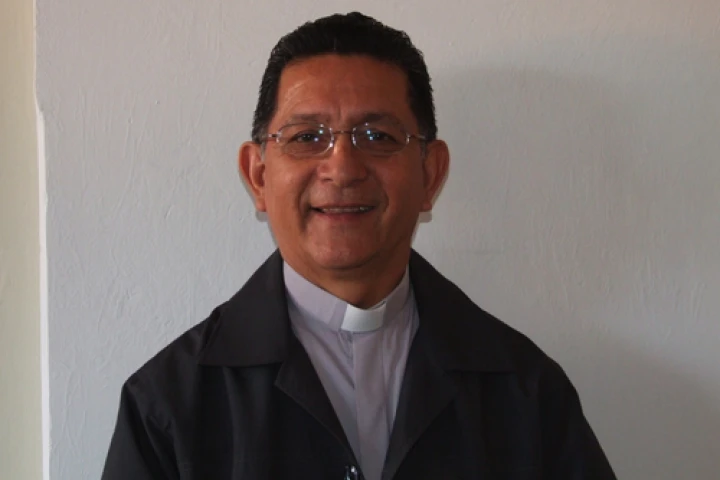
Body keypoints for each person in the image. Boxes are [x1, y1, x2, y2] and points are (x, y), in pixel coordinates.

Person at [102, 12, 617, 480]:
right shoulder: (169, 406)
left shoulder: (527, 392)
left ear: (430, 173)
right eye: (307, 137)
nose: (343, 168)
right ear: (258, 176)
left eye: (378, 137)